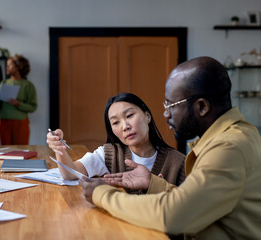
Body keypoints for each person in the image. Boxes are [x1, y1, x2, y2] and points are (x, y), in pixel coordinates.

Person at [79, 57, 261, 239]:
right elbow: (197, 204)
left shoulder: (228, 148)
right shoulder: (232, 136)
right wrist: (154, 183)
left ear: (202, 107)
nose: (166, 114)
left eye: (171, 105)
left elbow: (173, 215)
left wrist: (102, 194)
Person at [47, 92, 185, 191]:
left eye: (130, 115)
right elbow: (70, 174)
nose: (125, 126)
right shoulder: (109, 154)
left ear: (147, 116)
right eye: (116, 122)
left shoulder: (178, 162)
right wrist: (59, 149)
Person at [0, 54, 37, 145]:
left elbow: (33, 107)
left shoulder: (28, 85)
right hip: (4, 122)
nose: (7, 67)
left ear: (18, 66)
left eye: (10, 65)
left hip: (20, 122)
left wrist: (18, 104)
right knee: (6, 151)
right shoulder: (4, 83)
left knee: (21, 150)